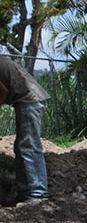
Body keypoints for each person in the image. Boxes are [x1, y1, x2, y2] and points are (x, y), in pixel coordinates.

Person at [0, 54, 50, 205]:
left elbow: (2, 91)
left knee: (29, 147)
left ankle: (37, 194)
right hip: (29, 100)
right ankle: (25, 193)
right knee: (21, 147)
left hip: (29, 101)